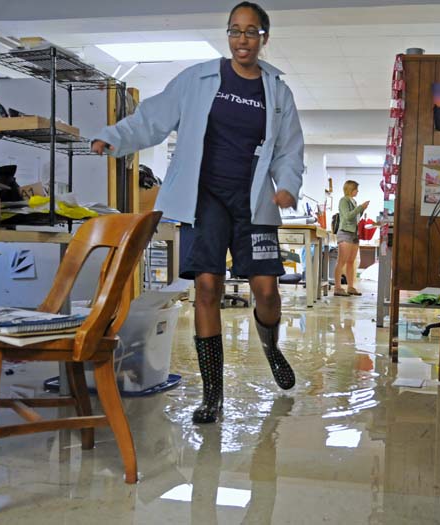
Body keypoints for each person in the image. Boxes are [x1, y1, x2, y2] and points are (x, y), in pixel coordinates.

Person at [91, 2, 304, 424]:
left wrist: (288, 187)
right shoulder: (199, 78)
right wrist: (113, 138)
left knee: (266, 291)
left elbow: (289, 148)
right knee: (207, 287)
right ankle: (213, 396)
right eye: (234, 31)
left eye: (251, 31)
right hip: (203, 197)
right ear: (228, 36)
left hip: (254, 201)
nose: (242, 39)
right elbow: (153, 117)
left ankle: (271, 346)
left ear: (264, 37)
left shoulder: (277, 91)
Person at [333, 180, 369, 297]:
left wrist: (362, 209)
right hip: (345, 233)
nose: (357, 191)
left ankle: (350, 287)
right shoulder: (344, 200)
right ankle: (337, 287)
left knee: (351, 262)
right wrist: (360, 207)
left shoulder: (353, 201)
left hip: (354, 233)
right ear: (350, 189)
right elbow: (348, 216)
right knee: (341, 261)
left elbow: (355, 217)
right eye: (356, 189)